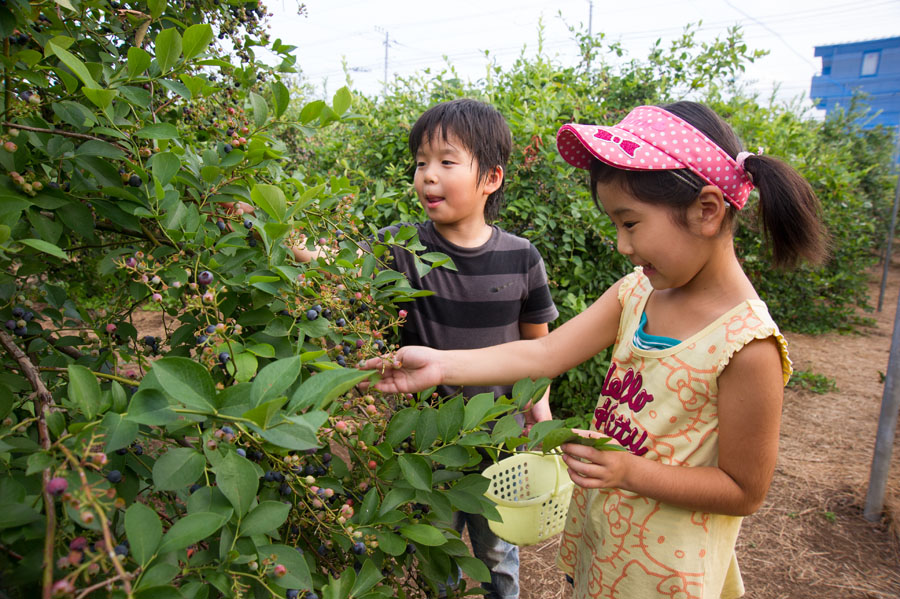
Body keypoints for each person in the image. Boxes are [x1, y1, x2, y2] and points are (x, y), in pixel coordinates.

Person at [364, 101, 828, 599]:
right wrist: (438, 364)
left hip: (667, 576)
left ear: (707, 211)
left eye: (629, 223)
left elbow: (745, 491)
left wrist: (630, 471)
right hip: (603, 548)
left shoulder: (746, 345)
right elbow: (542, 355)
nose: (621, 245)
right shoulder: (637, 293)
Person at [297, 98, 560, 599]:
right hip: (427, 441)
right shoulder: (401, 248)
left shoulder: (522, 257)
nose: (427, 176)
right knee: (439, 557)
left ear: (491, 178)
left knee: (498, 554)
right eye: (420, 163)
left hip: (499, 441)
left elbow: (537, 349)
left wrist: (539, 411)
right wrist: (277, 231)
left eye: (446, 161)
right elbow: (335, 262)